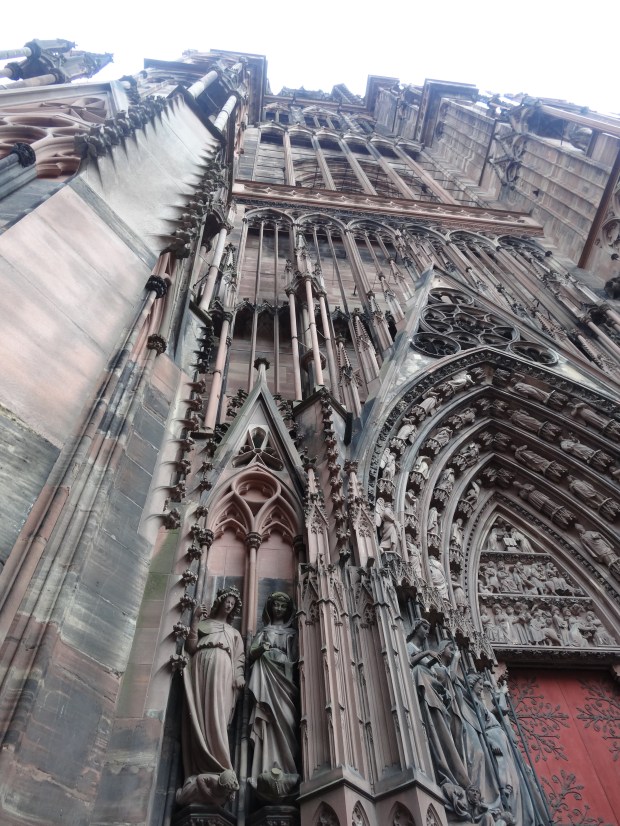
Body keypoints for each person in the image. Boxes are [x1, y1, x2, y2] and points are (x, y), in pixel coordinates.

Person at [178, 586, 245, 805]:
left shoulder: (234, 633)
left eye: (233, 604)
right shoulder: (205, 625)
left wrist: (239, 677)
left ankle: (220, 765)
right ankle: (200, 768)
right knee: (200, 714)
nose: (229, 605)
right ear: (220, 601)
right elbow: (190, 646)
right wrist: (195, 620)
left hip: (223, 670)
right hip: (200, 667)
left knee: (217, 715)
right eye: (227, 601)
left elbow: (239, 660)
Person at [249, 592, 299, 782]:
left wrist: (283, 660)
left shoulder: (293, 633)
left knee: (287, 719)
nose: (279, 609)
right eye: (276, 605)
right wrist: (262, 649)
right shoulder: (264, 631)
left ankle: (287, 766)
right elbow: (252, 652)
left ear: (288, 610)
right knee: (268, 719)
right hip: (266, 679)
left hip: (284, 683)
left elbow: (297, 659)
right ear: (270, 608)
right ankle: (268, 764)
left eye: (283, 606)